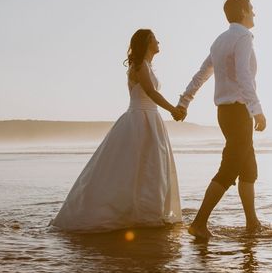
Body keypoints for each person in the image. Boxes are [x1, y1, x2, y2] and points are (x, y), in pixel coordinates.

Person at [50, 29, 185, 232]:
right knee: (137, 167)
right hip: (141, 120)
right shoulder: (139, 66)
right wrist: (173, 109)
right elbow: (150, 92)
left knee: (150, 168)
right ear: (147, 43)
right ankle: (139, 214)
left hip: (150, 118)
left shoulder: (145, 66)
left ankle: (148, 212)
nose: (159, 42)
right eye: (155, 39)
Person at [176, 0, 266, 240]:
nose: (255, 13)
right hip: (238, 111)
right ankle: (199, 223)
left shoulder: (220, 40)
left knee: (248, 169)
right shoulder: (243, 37)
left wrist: (184, 101)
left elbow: (201, 74)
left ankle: (252, 223)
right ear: (243, 11)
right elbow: (244, 75)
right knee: (229, 168)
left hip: (226, 112)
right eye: (252, 8)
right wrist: (256, 109)